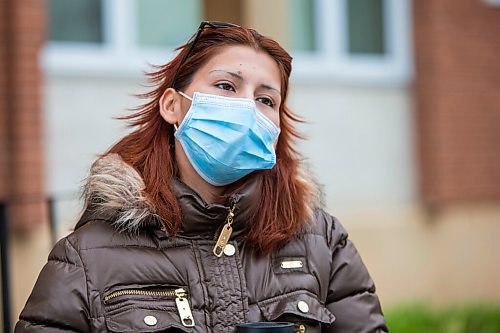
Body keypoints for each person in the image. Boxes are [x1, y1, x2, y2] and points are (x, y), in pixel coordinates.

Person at [15, 22, 388, 332]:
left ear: (277, 127)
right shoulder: (87, 256)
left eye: (266, 100)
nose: (246, 107)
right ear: (172, 106)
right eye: (226, 86)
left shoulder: (321, 242)